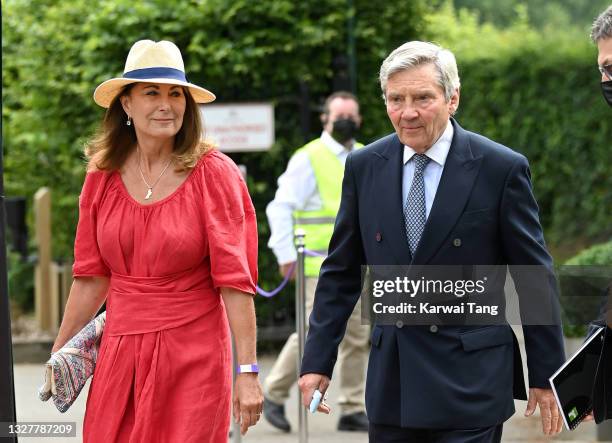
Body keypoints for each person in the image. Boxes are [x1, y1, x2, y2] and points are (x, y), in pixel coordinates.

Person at [298, 41, 567, 442]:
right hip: (395, 382)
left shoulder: (500, 168)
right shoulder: (364, 167)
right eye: (396, 99)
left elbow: (533, 276)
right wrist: (317, 360)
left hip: (471, 381)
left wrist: (546, 373)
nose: (408, 112)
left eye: (423, 97)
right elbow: (340, 272)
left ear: (452, 98)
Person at [51, 40, 263, 442]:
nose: (166, 104)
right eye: (152, 92)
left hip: (194, 354)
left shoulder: (215, 173)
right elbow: (90, 277)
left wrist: (247, 373)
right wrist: (60, 354)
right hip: (119, 350)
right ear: (126, 104)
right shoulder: (102, 172)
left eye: (175, 94)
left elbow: (235, 282)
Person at [263, 92, 370, 432]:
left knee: (356, 335)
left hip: (360, 265)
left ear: (360, 120)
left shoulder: (367, 155)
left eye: (351, 116)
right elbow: (280, 207)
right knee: (313, 334)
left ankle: (352, 406)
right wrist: (284, 254)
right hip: (317, 265)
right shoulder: (308, 157)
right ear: (325, 119)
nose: (346, 121)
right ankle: (273, 393)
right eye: (339, 115)